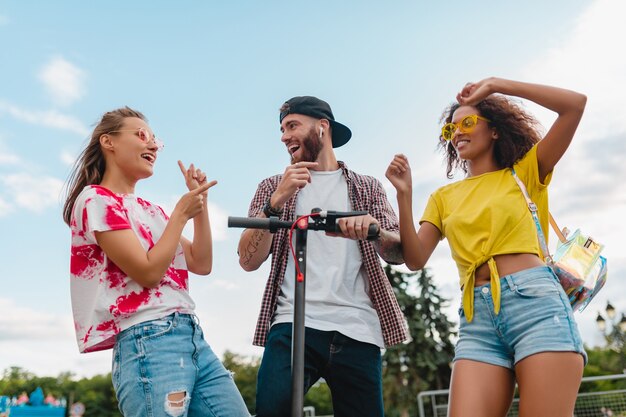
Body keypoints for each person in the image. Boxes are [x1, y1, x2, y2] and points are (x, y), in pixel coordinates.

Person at [386, 77, 587, 417]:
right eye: (450, 130)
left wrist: (495, 86)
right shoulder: (442, 197)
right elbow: (416, 259)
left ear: (494, 130)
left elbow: (574, 105)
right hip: (477, 320)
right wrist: (403, 196)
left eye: (467, 123)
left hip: (536, 307)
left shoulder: (524, 173)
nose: (458, 133)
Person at [62, 107, 249, 417]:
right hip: (147, 340)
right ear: (108, 142)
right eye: (141, 136)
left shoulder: (153, 212)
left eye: (155, 141)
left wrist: (199, 206)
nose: (153, 145)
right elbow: (148, 273)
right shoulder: (95, 200)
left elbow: (201, 263)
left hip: (191, 335)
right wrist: (180, 214)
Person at [237, 96, 408, 417]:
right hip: (292, 323)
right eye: (282, 129)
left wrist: (375, 230)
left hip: (357, 329)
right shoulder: (273, 186)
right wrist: (276, 201)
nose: (284, 136)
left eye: (292, 126)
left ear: (322, 127)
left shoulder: (367, 187)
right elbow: (247, 260)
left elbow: (398, 254)